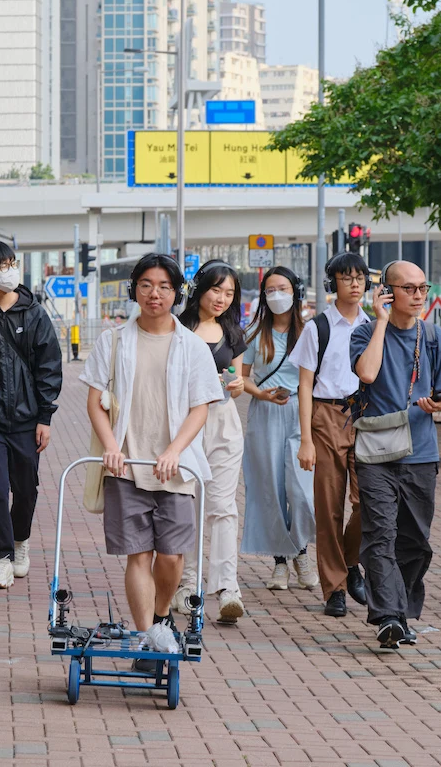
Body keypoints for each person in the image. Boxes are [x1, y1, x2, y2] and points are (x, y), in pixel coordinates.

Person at [80, 253, 219, 657]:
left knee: (172, 555)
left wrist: (175, 450)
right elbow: (94, 402)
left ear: (177, 293)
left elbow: (201, 406)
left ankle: (160, 618)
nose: (153, 294)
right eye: (145, 285)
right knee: (138, 554)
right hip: (127, 464)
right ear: (134, 290)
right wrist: (111, 446)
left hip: (175, 467)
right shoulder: (113, 340)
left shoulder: (192, 346)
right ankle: (145, 638)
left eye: (163, 286)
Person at [350, 261, 441, 648]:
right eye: (408, 289)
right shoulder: (364, 333)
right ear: (388, 293)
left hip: (421, 452)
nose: (418, 296)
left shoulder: (434, 337)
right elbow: (368, 374)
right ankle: (388, 617)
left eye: (422, 288)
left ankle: (403, 610)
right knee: (380, 534)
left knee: (414, 541)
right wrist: (379, 322)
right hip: (376, 452)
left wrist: (440, 404)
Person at [0, 241, 63, 590]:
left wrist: (45, 417)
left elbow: (49, 367)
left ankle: (21, 540)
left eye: (11, 263)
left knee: (26, 490)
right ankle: (2, 558)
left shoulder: (34, 313)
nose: (8, 270)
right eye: (1, 266)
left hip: (26, 419)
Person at [289, 252, 372, 618]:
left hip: (366, 415)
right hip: (325, 414)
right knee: (328, 506)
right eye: (346, 278)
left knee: (368, 500)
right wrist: (306, 438)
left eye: (360, 278)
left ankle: (351, 561)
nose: (355, 284)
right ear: (332, 283)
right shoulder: (317, 327)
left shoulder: (373, 325)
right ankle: (334, 588)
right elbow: (304, 386)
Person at [170, 260, 248, 623]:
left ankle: (227, 587)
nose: (221, 298)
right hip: (186, 425)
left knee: (223, 506)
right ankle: (187, 585)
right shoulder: (178, 328)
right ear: (200, 288)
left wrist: (237, 384)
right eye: (216, 289)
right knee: (186, 506)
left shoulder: (233, 332)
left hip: (224, 425)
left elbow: (240, 380)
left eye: (229, 293)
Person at [239, 267, 318, 591]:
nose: (276, 296)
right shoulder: (255, 333)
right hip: (266, 413)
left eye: (282, 288)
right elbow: (241, 376)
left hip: (302, 414)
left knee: (301, 493)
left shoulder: (310, 331)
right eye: (269, 290)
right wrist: (259, 392)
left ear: (295, 290)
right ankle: (281, 562)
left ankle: (300, 551)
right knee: (270, 490)